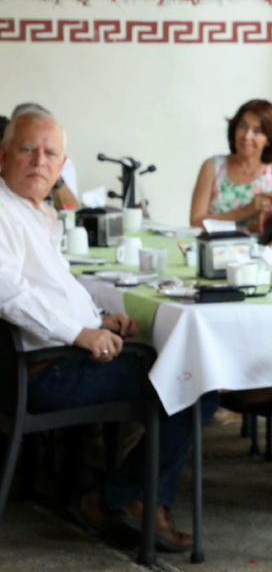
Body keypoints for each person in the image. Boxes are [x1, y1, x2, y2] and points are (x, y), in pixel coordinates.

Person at [0, 110, 218, 551]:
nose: (39, 161)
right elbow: (8, 295)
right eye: (28, 150)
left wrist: (97, 319)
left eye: (50, 154)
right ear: (3, 155)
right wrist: (80, 335)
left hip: (50, 361)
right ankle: (127, 498)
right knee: (195, 381)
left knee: (172, 365)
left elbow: (48, 287)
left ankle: (115, 493)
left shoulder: (34, 213)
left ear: (63, 168)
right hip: (42, 372)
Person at [190, 99, 272, 234]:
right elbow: (196, 222)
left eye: (257, 131)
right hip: (214, 250)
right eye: (242, 126)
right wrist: (248, 210)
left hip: (261, 253)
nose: (246, 136)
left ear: (269, 139)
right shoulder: (212, 167)